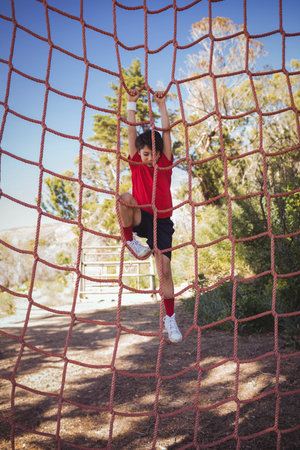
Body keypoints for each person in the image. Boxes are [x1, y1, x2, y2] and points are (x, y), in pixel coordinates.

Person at [118, 88, 182, 344]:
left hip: (163, 223)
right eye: (140, 154)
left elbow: (166, 133)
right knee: (124, 196)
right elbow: (132, 131)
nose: (142, 158)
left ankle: (170, 319)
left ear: (156, 154)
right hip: (141, 217)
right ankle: (130, 240)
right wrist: (131, 104)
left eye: (147, 154)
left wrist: (162, 105)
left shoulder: (165, 162)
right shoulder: (135, 161)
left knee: (164, 271)